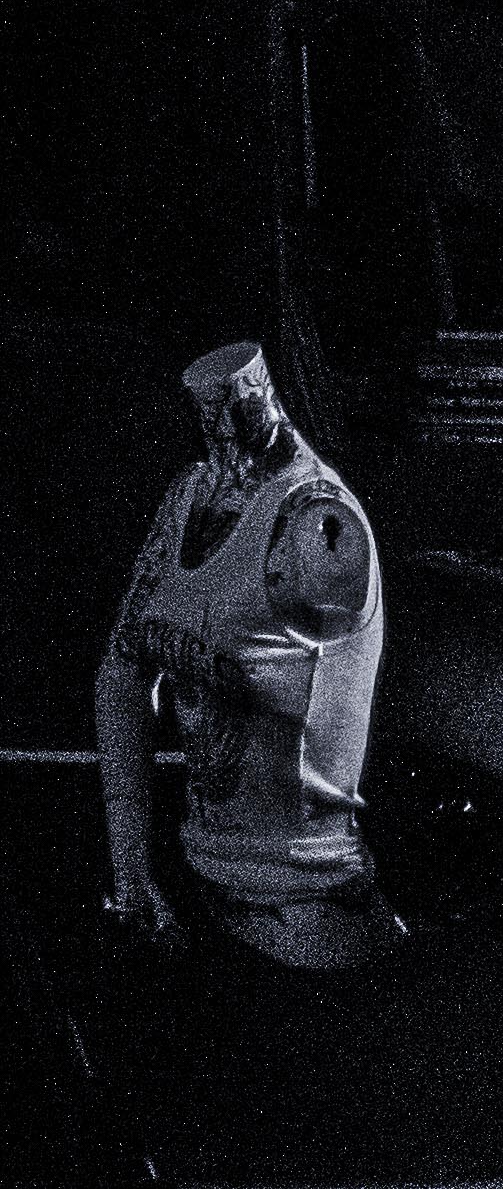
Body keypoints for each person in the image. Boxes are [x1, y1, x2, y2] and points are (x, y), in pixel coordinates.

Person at [99, 341, 397, 970]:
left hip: (304, 913)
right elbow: (123, 671)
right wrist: (130, 864)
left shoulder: (317, 522)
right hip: (203, 891)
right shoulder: (189, 497)